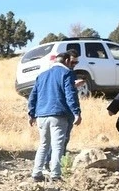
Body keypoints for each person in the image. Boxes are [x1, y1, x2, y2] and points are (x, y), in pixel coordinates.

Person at [27, 50, 81, 181]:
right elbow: (70, 95)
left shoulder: (42, 75)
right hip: (58, 114)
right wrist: (76, 112)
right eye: (72, 62)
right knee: (58, 145)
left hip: (41, 115)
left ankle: (36, 173)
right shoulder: (67, 73)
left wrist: (31, 113)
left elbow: (33, 95)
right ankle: (55, 174)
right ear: (67, 61)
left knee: (43, 145)